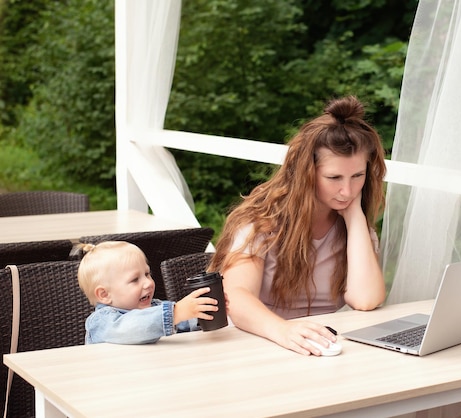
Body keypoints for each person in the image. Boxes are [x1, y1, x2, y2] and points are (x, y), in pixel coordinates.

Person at [208, 95, 387, 355]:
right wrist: (285, 331)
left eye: (357, 176)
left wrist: (355, 218)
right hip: (262, 343)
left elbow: (365, 299)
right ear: (306, 173)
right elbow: (235, 296)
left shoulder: (355, 229)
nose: (347, 190)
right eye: (334, 177)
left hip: (323, 345)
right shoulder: (261, 222)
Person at [77, 241, 222, 344]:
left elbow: (185, 324)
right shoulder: (102, 322)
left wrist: (205, 311)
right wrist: (175, 313)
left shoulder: (155, 307)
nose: (148, 283)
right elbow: (133, 328)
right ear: (104, 295)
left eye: (147, 274)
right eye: (135, 280)